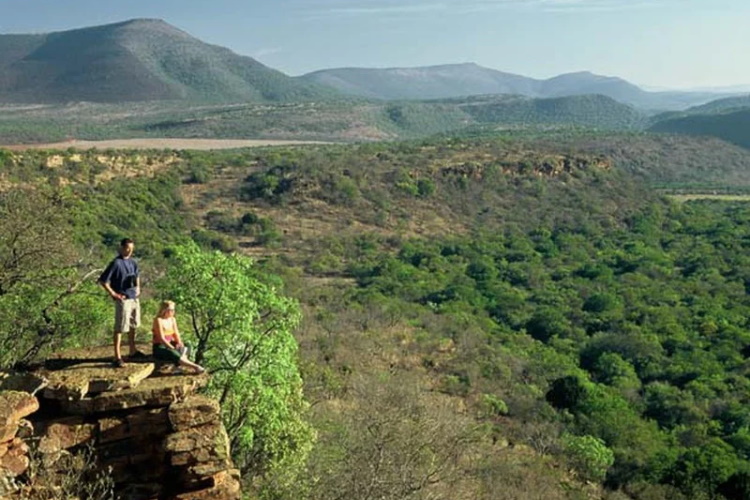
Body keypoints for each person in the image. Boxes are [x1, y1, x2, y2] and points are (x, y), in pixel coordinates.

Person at [99, 238, 144, 367]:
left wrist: (138, 288)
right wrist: (113, 294)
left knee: (133, 325)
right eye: (127, 249)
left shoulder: (133, 262)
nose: (129, 251)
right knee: (120, 327)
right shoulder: (116, 263)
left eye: (131, 249)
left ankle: (132, 350)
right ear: (122, 248)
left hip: (133, 297)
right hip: (123, 299)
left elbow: (137, 275)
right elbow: (103, 281)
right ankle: (117, 356)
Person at [152, 300, 205, 374]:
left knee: (187, 346)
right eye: (171, 310)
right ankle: (196, 367)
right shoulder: (158, 320)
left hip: (170, 343)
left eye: (173, 310)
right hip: (160, 346)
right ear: (164, 310)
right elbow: (161, 338)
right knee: (173, 352)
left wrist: (179, 343)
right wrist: (172, 347)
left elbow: (176, 333)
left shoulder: (172, 319)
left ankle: (178, 366)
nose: (173, 312)